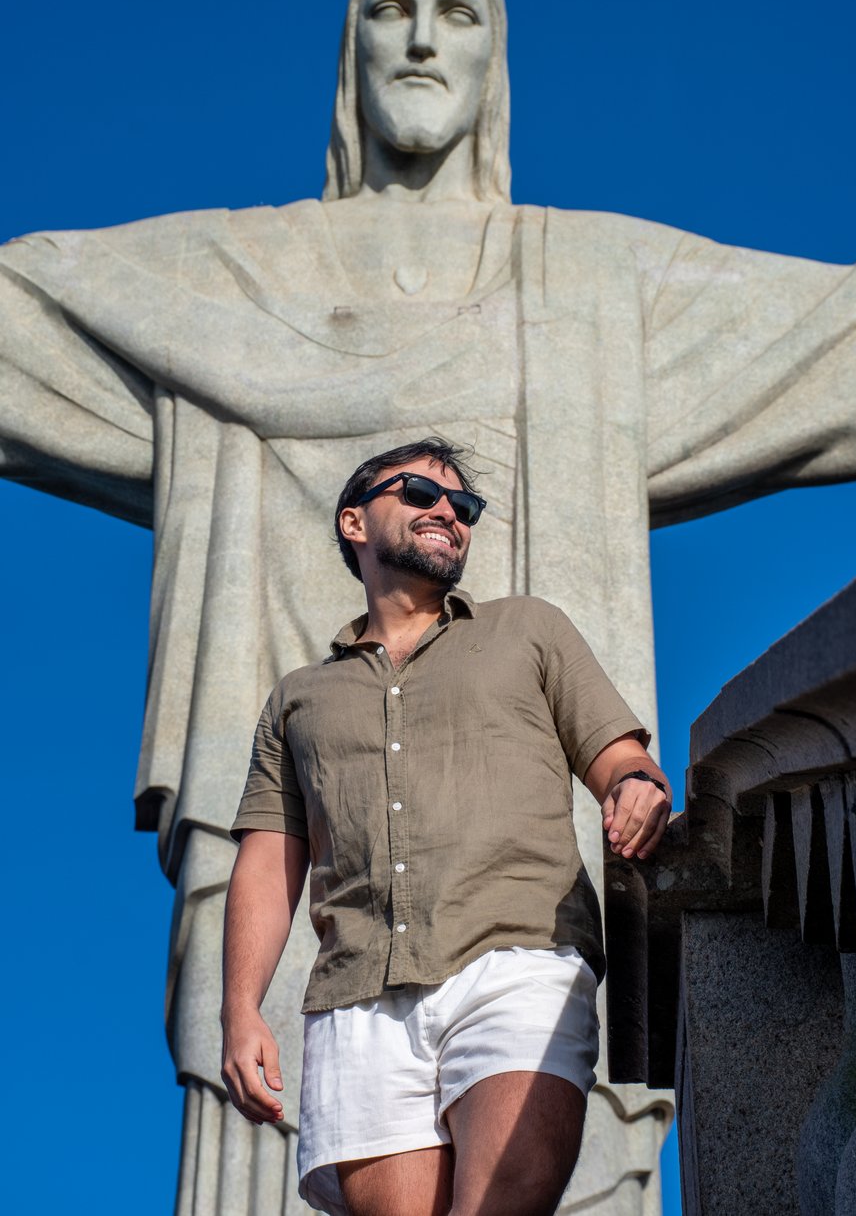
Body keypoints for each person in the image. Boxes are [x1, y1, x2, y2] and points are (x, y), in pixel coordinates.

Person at [1, 0, 856, 1212]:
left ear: (496, 63)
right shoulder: (221, 282)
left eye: (459, 16)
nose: (423, 41)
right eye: (391, 11)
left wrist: (633, 790)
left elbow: (855, 344)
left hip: (518, 942)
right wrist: (251, 982)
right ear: (349, 54)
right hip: (344, 953)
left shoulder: (590, 287)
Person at [221, 438, 673, 1216]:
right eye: (421, 495)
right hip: (358, 996)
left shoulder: (527, 630)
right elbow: (269, 862)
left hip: (518, 960)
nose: (447, 514)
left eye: (462, 507)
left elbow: (620, 757)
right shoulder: (299, 699)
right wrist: (239, 1009)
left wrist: (635, 785)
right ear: (355, 522)